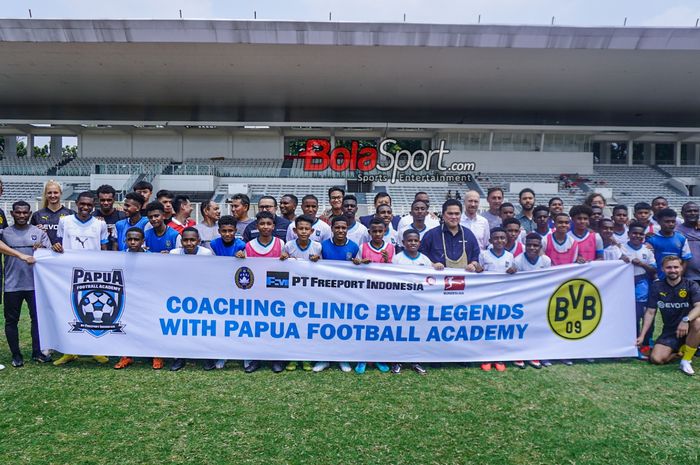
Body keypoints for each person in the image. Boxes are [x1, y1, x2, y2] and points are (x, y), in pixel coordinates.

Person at [52, 191, 110, 367]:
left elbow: (105, 248)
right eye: (82, 204)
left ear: (94, 206)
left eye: (89, 205)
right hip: (70, 273)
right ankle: (70, 351)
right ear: (76, 203)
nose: (85, 207)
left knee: (93, 311)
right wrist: (55, 247)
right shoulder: (64, 221)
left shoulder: (100, 224)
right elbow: (58, 243)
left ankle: (96, 349)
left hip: (93, 275)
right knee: (70, 310)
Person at [0, 201, 51, 367]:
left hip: (35, 285)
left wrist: (42, 248)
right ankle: (16, 355)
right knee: (11, 321)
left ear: (30, 214)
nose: (21, 215)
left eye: (25, 213)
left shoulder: (38, 232)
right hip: (12, 285)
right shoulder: (5, 233)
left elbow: (49, 255)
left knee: (37, 319)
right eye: (18, 212)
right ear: (12, 214)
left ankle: (37, 352)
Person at [638, 255, 700, 376]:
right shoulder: (657, 287)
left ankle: (686, 360)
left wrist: (686, 320)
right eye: (669, 267)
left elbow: (699, 306)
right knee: (656, 359)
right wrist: (642, 335)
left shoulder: (691, 285)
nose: (673, 270)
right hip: (671, 331)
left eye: (676, 267)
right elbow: (650, 312)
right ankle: (681, 350)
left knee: (698, 322)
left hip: (690, 327)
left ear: (681, 268)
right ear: (663, 269)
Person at [113, 227, 164, 370]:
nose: (133, 242)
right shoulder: (119, 257)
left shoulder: (152, 257)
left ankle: (157, 355)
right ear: (125, 241)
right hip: (127, 297)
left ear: (143, 241)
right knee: (125, 326)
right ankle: (126, 356)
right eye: (130, 239)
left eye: (136, 239)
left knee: (152, 325)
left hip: (148, 298)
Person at [315, 216, 360, 373]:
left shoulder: (354, 247)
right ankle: (324, 358)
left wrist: (358, 264)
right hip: (326, 293)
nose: (340, 230)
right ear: (332, 228)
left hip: (346, 294)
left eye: (343, 228)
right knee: (325, 327)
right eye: (337, 227)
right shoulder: (322, 246)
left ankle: (343, 358)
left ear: (347, 229)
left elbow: (359, 272)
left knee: (343, 327)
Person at [169, 227, 214, 372]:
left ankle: (207, 357)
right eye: (186, 240)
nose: (189, 243)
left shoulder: (206, 253)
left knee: (202, 327)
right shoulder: (174, 253)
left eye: (192, 240)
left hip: (201, 296)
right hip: (179, 296)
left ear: (199, 241)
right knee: (180, 327)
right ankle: (179, 358)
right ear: (181, 241)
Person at [280, 215, 321, 372]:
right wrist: (284, 258)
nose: (303, 231)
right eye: (301, 229)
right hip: (292, 293)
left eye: (307, 229)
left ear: (312, 231)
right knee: (292, 326)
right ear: (295, 230)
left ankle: (305, 357)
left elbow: (324, 269)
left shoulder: (317, 247)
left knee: (307, 326)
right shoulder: (288, 246)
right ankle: (292, 357)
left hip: (310, 292)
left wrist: (318, 260)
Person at [477, 227, 513, 373]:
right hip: (486, 296)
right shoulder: (483, 254)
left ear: (506, 240)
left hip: (503, 296)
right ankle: (486, 357)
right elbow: (478, 273)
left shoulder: (510, 256)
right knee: (486, 327)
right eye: (496, 238)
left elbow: (513, 275)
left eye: (502, 238)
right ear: (490, 240)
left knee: (500, 328)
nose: (499, 240)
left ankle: (498, 357)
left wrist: (513, 271)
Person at [621, 221, 657, 359]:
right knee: (630, 317)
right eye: (634, 233)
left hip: (641, 282)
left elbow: (654, 270)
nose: (637, 236)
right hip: (623, 283)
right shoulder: (621, 248)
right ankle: (631, 346)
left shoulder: (647, 251)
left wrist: (641, 263)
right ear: (629, 234)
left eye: (641, 234)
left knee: (643, 315)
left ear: (644, 236)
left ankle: (646, 345)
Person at [420, 199, 481, 272]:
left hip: (464, 280)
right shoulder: (431, 235)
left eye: (457, 214)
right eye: (450, 213)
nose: (454, 217)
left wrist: (473, 264)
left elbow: (476, 257)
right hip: (437, 280)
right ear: (443, 215)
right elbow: (421, 258)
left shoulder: (468, 234)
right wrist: (432, 265)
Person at [646, 208, 691, 279]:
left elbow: (686, 259)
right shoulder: (651, 240)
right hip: (657, 279)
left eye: (673, 222)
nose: (671, 224)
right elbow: (649, 261)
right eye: (667, 222)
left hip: (676, 279)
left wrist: (679, 276)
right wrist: (654, 276)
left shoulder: (682, 238)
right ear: (659, 221)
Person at [30, 180, 74, 245]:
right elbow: (31, 237)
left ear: (61, 193)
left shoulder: (70, 214)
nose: (52, 195)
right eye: (49, 193)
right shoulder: (37, 215)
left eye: (55, 192)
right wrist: (37, 231)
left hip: (65, 253)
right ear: (45, 194)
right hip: (45, 253)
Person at [93, 184, 126, 250]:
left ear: (114, 199)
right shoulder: (92, 217)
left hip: (117, 256)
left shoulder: (122, 216)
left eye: (109, 200)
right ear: (98, 200)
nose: (106, 203)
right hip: (98, 256)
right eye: (102, 200)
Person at [675, 202, 700, 286]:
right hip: (686, 277)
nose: (693, 213)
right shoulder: (676, 232)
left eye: (695, 211)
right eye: (689, 211)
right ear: (682, 214)